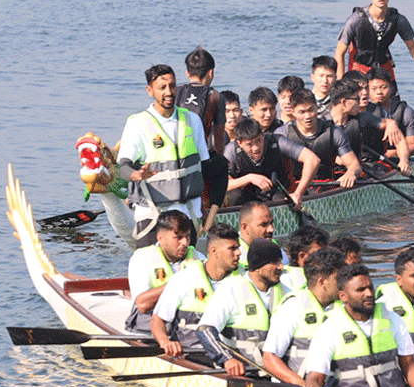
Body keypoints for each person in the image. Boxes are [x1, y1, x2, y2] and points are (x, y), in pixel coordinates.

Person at [304, 264, 414, 387]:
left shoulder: (392, 318)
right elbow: (315, 378)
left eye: (370, 287)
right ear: (343, 296)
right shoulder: (328, 329)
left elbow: (410, 366)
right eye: (360, 290)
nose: (369, 293)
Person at [117, 64, 209, 248]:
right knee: (154, 272)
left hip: (188, 212)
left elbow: (204, 167)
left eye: (172, 86)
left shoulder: (192, 120)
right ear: (149, 90)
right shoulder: (138, 124)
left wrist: (205, 208)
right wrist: (135, 175)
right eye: (162, 88)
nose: (169, 92)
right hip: (153, 214)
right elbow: (122, 167)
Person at [262, 246, 346, 387]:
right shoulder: (294, 307)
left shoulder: (343, 307)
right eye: (339, 279)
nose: (345, 284)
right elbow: (269, 359)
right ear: (322, 282)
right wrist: (304, 386)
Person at [196, 238, 287, 373]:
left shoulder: (286, 291)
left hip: (274, 374)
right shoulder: (231, 288)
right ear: (257, 267)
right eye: (274, 262)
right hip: (239, 374)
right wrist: (227, 359)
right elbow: (205, 329)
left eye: (280, 261)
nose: (281, 267)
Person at [149, 223, 241, 358]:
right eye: (232, 248)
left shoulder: (243, 280)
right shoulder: (183, 278)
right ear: (214, 251)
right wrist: (165, 342)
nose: (239, 253)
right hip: (192, 356)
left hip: (232, 358)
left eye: (238, 247)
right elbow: (157, 320)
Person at [333, 0, 414, 88]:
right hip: (359, 70)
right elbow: (339, 52)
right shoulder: (355, 20)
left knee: (393, 104)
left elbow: (412, 47)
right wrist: (341, 82)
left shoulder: (398, 20)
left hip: (384, 69)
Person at [125, 210, 202, 333]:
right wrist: (180, 280)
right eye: (178, 237)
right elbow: (142, 305)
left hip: (186, 326)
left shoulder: (199, 258)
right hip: (150, 325)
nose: (185, 243)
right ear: (160, 238)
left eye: (187, 236)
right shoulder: (142, 258)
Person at [223, 117, 319, 208]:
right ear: (239, 143)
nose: (256, 148)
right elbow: (221, 185)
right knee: (232, 196)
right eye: (249, 145)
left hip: (277, 193)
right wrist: (249, 178)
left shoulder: (277, 141)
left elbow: (313, 159)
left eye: (258, 140)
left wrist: (298, 194)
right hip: (248, 198)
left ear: (263, 136)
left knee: (282, 200)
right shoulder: (231, 150)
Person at [175, 47, 228, 209]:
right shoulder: (215, 96)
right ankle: (213, 211)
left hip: (173, 158)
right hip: (196, 162)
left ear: (187, 73)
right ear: (211, 73)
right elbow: (219, 141)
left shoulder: (175, 92)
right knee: (222, 164)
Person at [277, 89, 362, 188]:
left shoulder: (334, 133)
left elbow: (355, 165)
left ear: (317, 108)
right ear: (293, 112)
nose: (307, 116)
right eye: (302, 112)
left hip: (325, 186)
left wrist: (351, 173)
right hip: (293, 187)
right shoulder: (282, 134)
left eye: (311, 110)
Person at [328, 78, 409, 170]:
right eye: (356, 99)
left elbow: (396, 134)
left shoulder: (363, 118)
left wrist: (403, 160)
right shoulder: (322, 123)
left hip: (358, 170)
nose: (359, 102)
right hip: (330, 171)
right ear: (344, 102)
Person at [366, 67, 414, 157]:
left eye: (384, 87)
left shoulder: (406, 112)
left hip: (395, 157)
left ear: (391, 87)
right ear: (367, 90)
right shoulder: (362, 110)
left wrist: (394, 153)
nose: (379, 92)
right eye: (374, 88)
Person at [281, 224, 330, 293]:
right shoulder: (286, 280)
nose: (325, 259)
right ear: (302, 256)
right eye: (320, 254)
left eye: (326, 254)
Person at [235, 200, 281, 274]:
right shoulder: (232, 256)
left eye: (271, 223)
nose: (271, 229)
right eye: (264, 224)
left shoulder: (276, 246)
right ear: (245, 227)